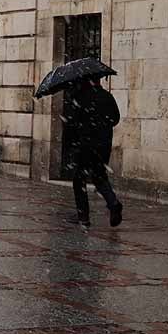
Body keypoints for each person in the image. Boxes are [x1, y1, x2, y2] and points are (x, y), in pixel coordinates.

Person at [63, 77, 123, 228]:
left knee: (79, 179)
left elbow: (71, 124)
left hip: (83, 145)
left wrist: (69, 144)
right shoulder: (107, 96)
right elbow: (115, 119)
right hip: (103, 145)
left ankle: (83, 216)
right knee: (99, 176)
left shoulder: (79, 98)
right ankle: (113, 203)